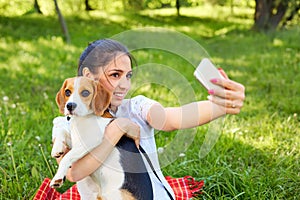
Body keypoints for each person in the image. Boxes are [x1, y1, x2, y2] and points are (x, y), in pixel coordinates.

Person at [34, 39, 245, 200]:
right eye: (116, 75)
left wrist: (220, 106)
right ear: (88, 76)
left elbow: (173, 118)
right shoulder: (65, 124)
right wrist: (118, 128)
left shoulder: (135, 107)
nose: (125, 84)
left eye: (128, 76)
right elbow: (72, 173)